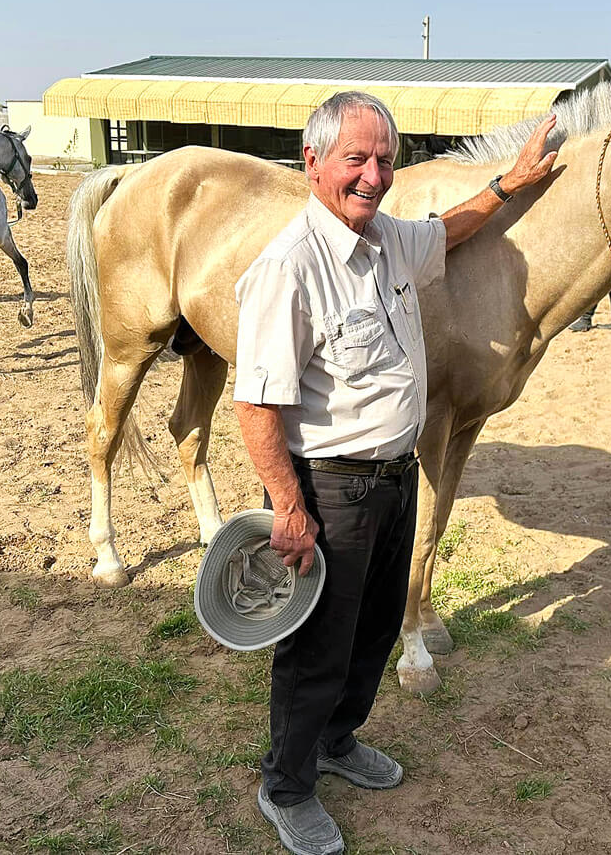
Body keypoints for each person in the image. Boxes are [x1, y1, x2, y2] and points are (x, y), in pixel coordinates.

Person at [234, 92, 557, 855]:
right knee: (317, 648)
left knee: (375, 631)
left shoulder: (387, 241)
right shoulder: (291, 268)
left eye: (385, 159)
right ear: (312, 163)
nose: (375, 175)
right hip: (330, 489)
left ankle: (339, 742)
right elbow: (255, 406)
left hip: (394, 478)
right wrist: (289, 506)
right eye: (357, 159)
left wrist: (510, 183)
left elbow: (452, 228)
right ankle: (286, 786)